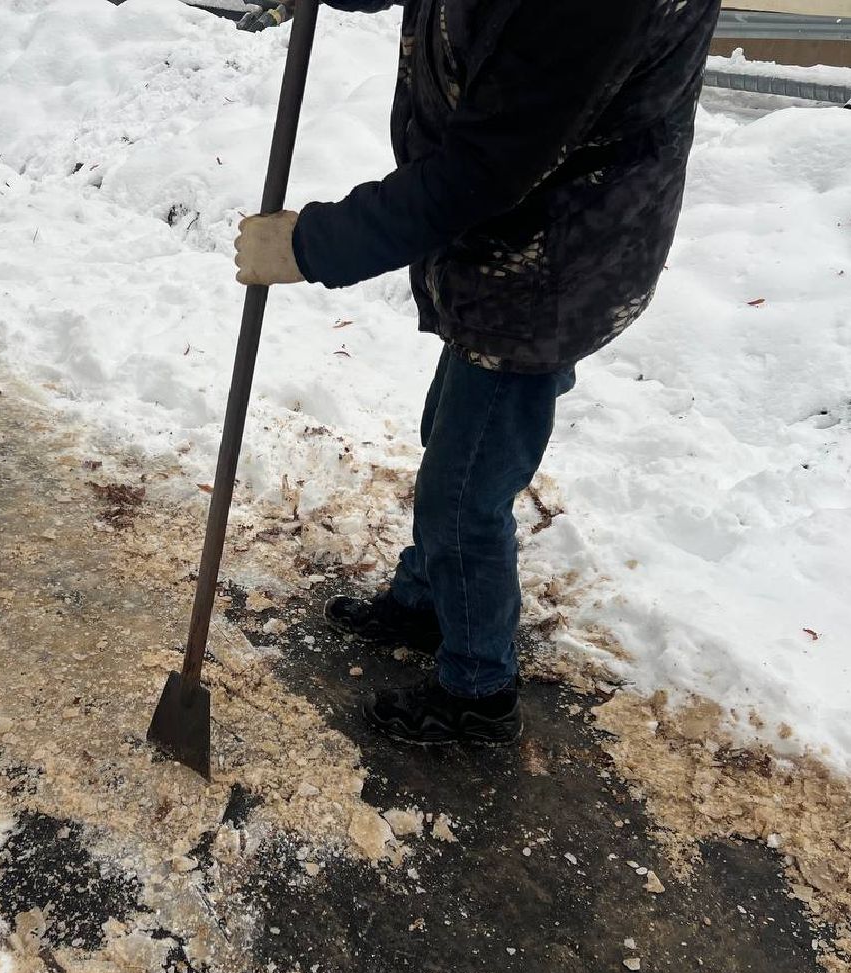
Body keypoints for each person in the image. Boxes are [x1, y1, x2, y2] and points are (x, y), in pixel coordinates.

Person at [233, 0, 721, 747]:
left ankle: (478, 687)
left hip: (554, 263)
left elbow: (488, 166)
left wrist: (314, 245)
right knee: (449, 436)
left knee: (464, 497)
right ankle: (429, 598)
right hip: (504, 248)